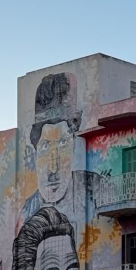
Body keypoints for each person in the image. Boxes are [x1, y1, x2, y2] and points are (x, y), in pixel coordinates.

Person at [21, 72, 94, 222]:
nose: (53, 169)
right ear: (34, 153)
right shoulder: (25, 212)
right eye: (45, 146)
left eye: (62, 144)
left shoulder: (97, 192)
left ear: (74, 146)